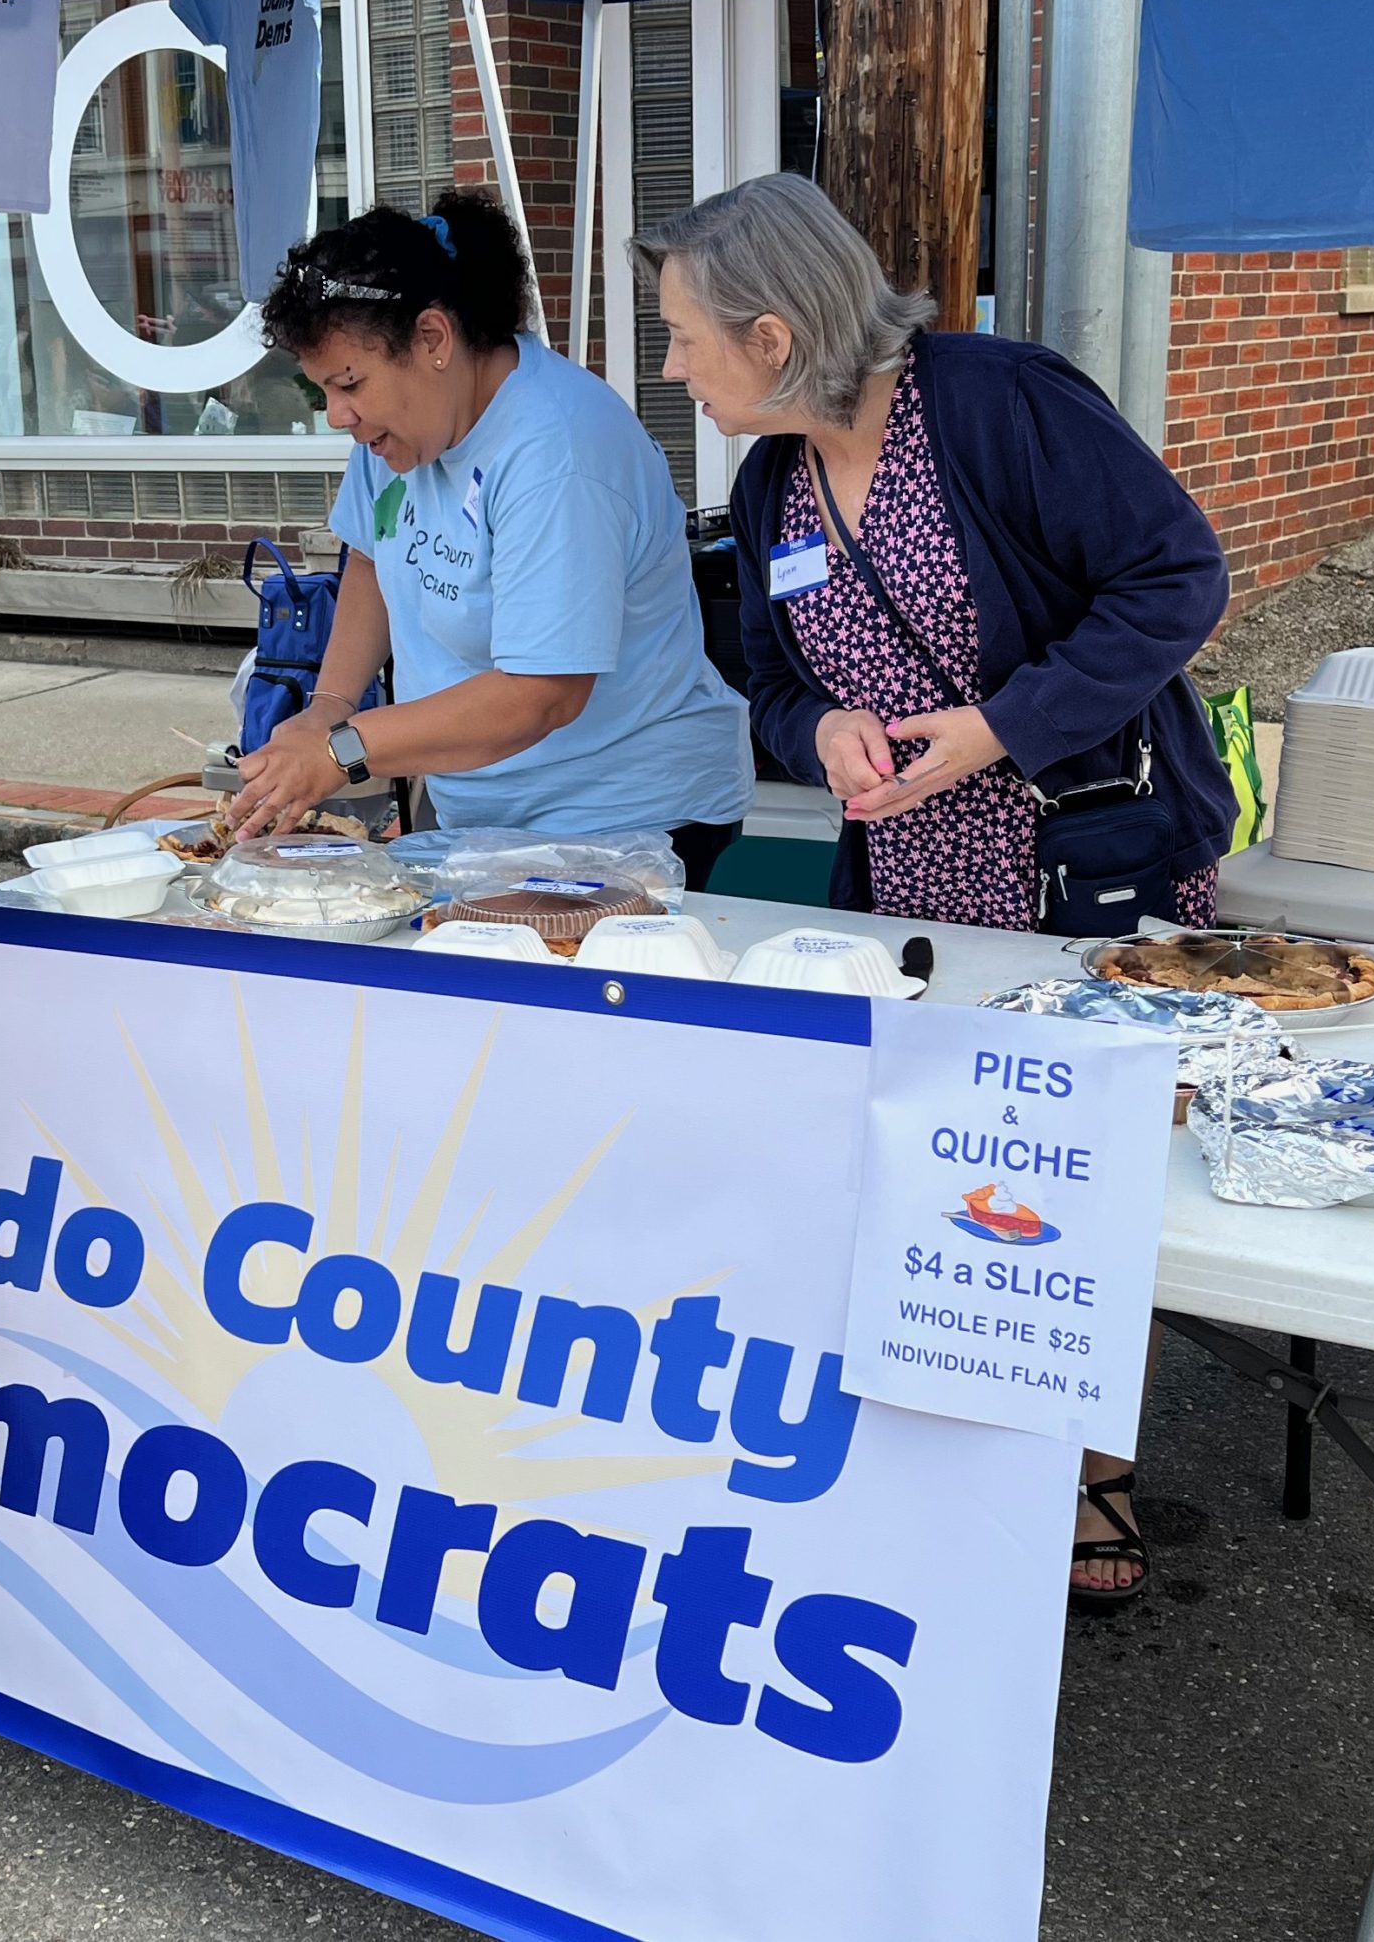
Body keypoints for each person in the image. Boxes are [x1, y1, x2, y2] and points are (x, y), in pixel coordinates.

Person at [636, 170, 1237, 1612]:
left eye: (680, 336)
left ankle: (1092, 1461)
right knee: (953, 1163)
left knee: (1084, 1171)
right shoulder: (774, 477)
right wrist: (820, 731)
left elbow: (1176, 579)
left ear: (772, 335)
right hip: (912, 871)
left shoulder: (996, 404)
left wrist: (995, 727)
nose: (668, 366)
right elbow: (774, 674)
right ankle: (963, 1442)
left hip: (1087, 852)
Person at [235, 191, 753, 880]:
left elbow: (542, 692)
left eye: (350, 383)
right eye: (322, 390)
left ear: (433, 340)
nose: (338, 416)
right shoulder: (391, 436)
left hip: (624, 822)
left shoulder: (558, 450)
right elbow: (370, 558)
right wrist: (326, 713)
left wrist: (343, 751)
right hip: (477, 812)